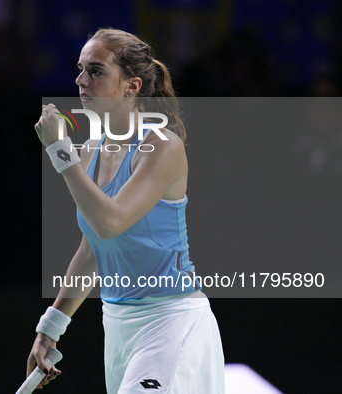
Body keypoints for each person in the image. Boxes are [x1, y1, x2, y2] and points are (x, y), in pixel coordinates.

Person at [29, 28, 225, 393]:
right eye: (80, 68)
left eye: (96, 71)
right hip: (118, 328)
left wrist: (59, 151)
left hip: (172, 322)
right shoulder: (90, 149)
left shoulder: (162, 146)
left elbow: (110, 223)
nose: (80, 80)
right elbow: (92, 248)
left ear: (131, 87)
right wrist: (49, 329)